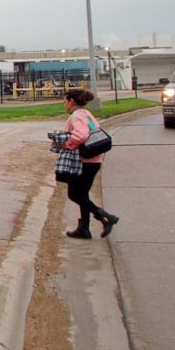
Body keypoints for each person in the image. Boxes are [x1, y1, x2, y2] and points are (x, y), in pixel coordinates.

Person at [51, 89, 120, 240]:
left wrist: (67, 144)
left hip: (84, 162)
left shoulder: (76, 116)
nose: (65, 105)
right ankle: (84, 228)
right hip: (94, 160)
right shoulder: (87, 114)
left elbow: (81, 135)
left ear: (71, 101)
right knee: (83, 195)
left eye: (65, 101)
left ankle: (105, 216)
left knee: (74, 194)